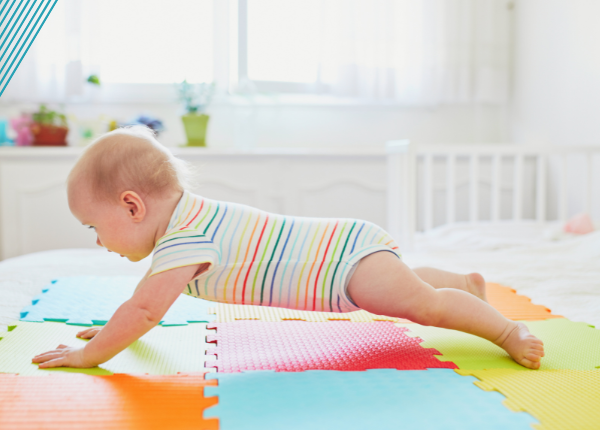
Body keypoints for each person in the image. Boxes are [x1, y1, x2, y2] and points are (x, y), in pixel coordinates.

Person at [32, 126, 545, 370]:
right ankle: (464, 284)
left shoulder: (185, 237)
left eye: (92, 228)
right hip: (347, 247)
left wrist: (91, 354)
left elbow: (144, 310)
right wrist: (113, 331)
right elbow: (145, 305)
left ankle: (504, 328)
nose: (98, 243)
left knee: (424, 308)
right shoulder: (185, 226)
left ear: (132, 206)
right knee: (406, 281)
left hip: (341, 265)